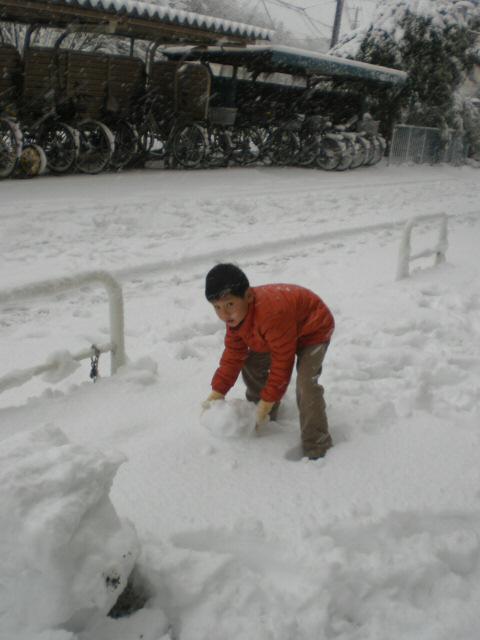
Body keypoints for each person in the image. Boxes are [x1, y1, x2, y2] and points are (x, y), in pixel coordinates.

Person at [202, 263, 335, 459]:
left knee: (306, 385)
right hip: (281, 332)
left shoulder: (271, 316)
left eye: (229, 304)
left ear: (248, 296)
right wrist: (217, 392)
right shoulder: (237, 320)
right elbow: (232, 356)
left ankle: (317, 443)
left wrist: (269, 399)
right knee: (251, 361)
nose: (224, 314)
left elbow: (282, 363)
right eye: (217, 307)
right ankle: (261, 413)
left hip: (313, 329)